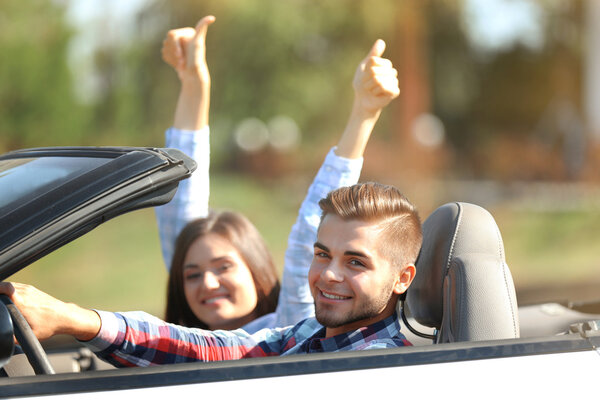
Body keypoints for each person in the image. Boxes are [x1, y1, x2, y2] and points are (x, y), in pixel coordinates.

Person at [154, 16, 402, 331]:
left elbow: (309, 232)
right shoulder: (182, 346)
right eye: (192, 274)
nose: (208, 283)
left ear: (256, 270)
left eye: (224, 266)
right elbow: (178, 208)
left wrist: (364, 113)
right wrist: (193, 83)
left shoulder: (287, 331)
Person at [0, 181, 422, 364]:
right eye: (322, 254)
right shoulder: (309, 334)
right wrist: (75, 319)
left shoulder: (377, 367)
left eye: (355, 262)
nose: (328, 274)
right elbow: (218, 350)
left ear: (403, 278)